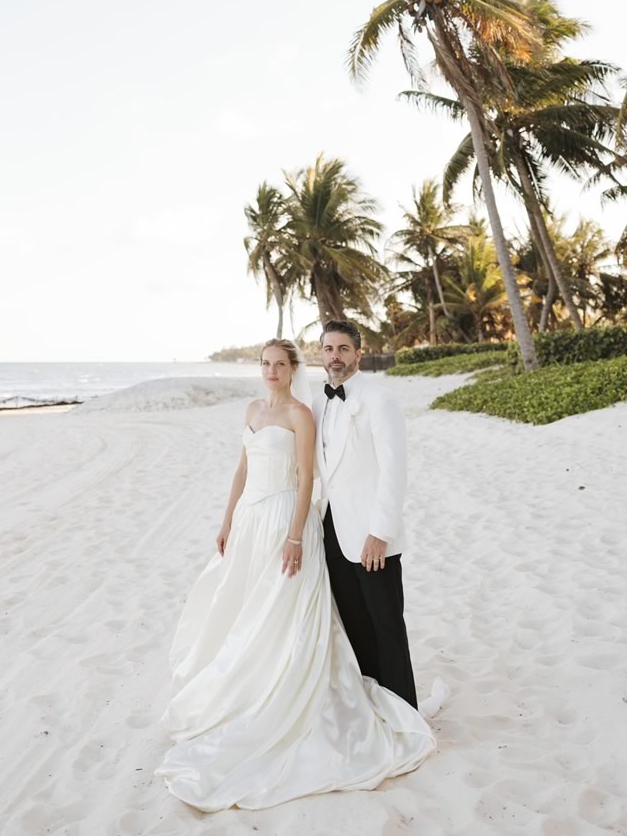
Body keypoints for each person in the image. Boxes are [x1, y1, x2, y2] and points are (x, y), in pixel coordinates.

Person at [156, 338, 437, 812]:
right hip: (260, 521)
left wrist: (297, 535)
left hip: (301, 522)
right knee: (254, 610)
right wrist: (227, 521)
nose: (271, 370)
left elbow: (315, 478)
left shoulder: (315, 411)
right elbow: (242, 470)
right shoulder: (263, 409)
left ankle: (397, 705)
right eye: (265, 364)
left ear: (293, 368)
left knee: (353, 617)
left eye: (279, 364)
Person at [315, 319, 424, 708]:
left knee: (387, 625)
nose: (335, 356)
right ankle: (373, 705)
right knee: (355, 625)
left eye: (343, 349)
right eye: (329, 349)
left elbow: (395, 472)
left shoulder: (380, 400)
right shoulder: (318, 403)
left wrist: (380, 533)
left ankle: (405, 711)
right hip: (332, 531)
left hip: (371, 534)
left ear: (358, 354)